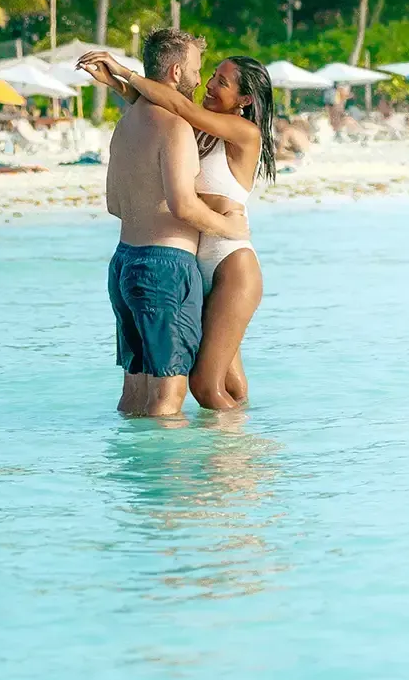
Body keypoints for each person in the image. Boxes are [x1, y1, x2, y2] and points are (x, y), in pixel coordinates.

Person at [80, 41, 274, 413]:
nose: (210, 85)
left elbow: (178, 104)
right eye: (212, 75)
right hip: (194, 262)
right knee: (230, 382)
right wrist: (118, 86)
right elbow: (163, 107)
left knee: (205, 384)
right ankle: (231, 449)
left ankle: (239, 460)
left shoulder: (242, 133)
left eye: (222, 82)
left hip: (230, 261)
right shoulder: (198, 126)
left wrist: (125, 71)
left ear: (244, 100)